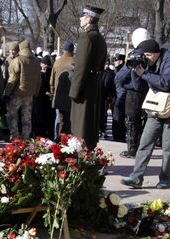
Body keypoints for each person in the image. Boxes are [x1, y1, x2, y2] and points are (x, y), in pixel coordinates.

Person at [120, 39, 170, 189]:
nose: (145, 59)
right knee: (145, 142)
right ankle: (136, 177)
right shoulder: (148, 63)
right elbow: (138, 87)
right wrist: (135, 70)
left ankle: (165, 179)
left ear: (155, 53)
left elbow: (166, 83)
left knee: (168, 147)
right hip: (156, 108)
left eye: (147, 56)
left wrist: (144, 73)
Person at [69, 5, 107, 150]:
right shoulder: (99, 38)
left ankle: (81, 159)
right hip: (93, 84)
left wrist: (74, 91)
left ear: (89, 19)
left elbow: (81, 67)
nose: (80, 18)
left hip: (84, 88)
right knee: (90, 124)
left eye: (83, 15)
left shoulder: (87, 36)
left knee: (81, 125)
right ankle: (89, 156)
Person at [118, 28, 152, 159]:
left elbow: (121, 75)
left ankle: (132, 148)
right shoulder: (152, 53)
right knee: (144, 121)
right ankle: (142, 148)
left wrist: (122, 84)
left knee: (132, 121)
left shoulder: (136, 53)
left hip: (133, 92)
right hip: (148, 90)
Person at [4, 40, 41, 140]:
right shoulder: (36, 61)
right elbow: (39, 80)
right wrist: (35, 93)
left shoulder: (18, 60)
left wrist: (7, 92)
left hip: (17, 93)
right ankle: (25, 138)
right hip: (30, 95)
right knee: (27, 118)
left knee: (12, 116)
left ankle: (15, 138)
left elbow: (13, 78)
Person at [50, 42, 75, 140]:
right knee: (70, 119)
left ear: (63, 50)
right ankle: (70, 140)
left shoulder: (57, 62)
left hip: (58, 95)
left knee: (59, 119)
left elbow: (51, 80)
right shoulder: (76, 61)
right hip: (72, 95)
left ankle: (57, 138)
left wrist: (52, 92)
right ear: (72, 50)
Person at [33, 54, 54, 138]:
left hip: (40, 99)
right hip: (49, 99)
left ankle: (40, 134)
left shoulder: (40, 74)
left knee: (40, 117)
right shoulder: (51, 73)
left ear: (44, 64)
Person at [101, 59, 116, 139]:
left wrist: (111, 96)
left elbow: (112, 86)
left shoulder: (111, 73)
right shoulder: (99, 71)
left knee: (104, 114)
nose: (105, 65)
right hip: (98, 96)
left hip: (106, 97)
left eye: (107, 63)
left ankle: (103, 130)